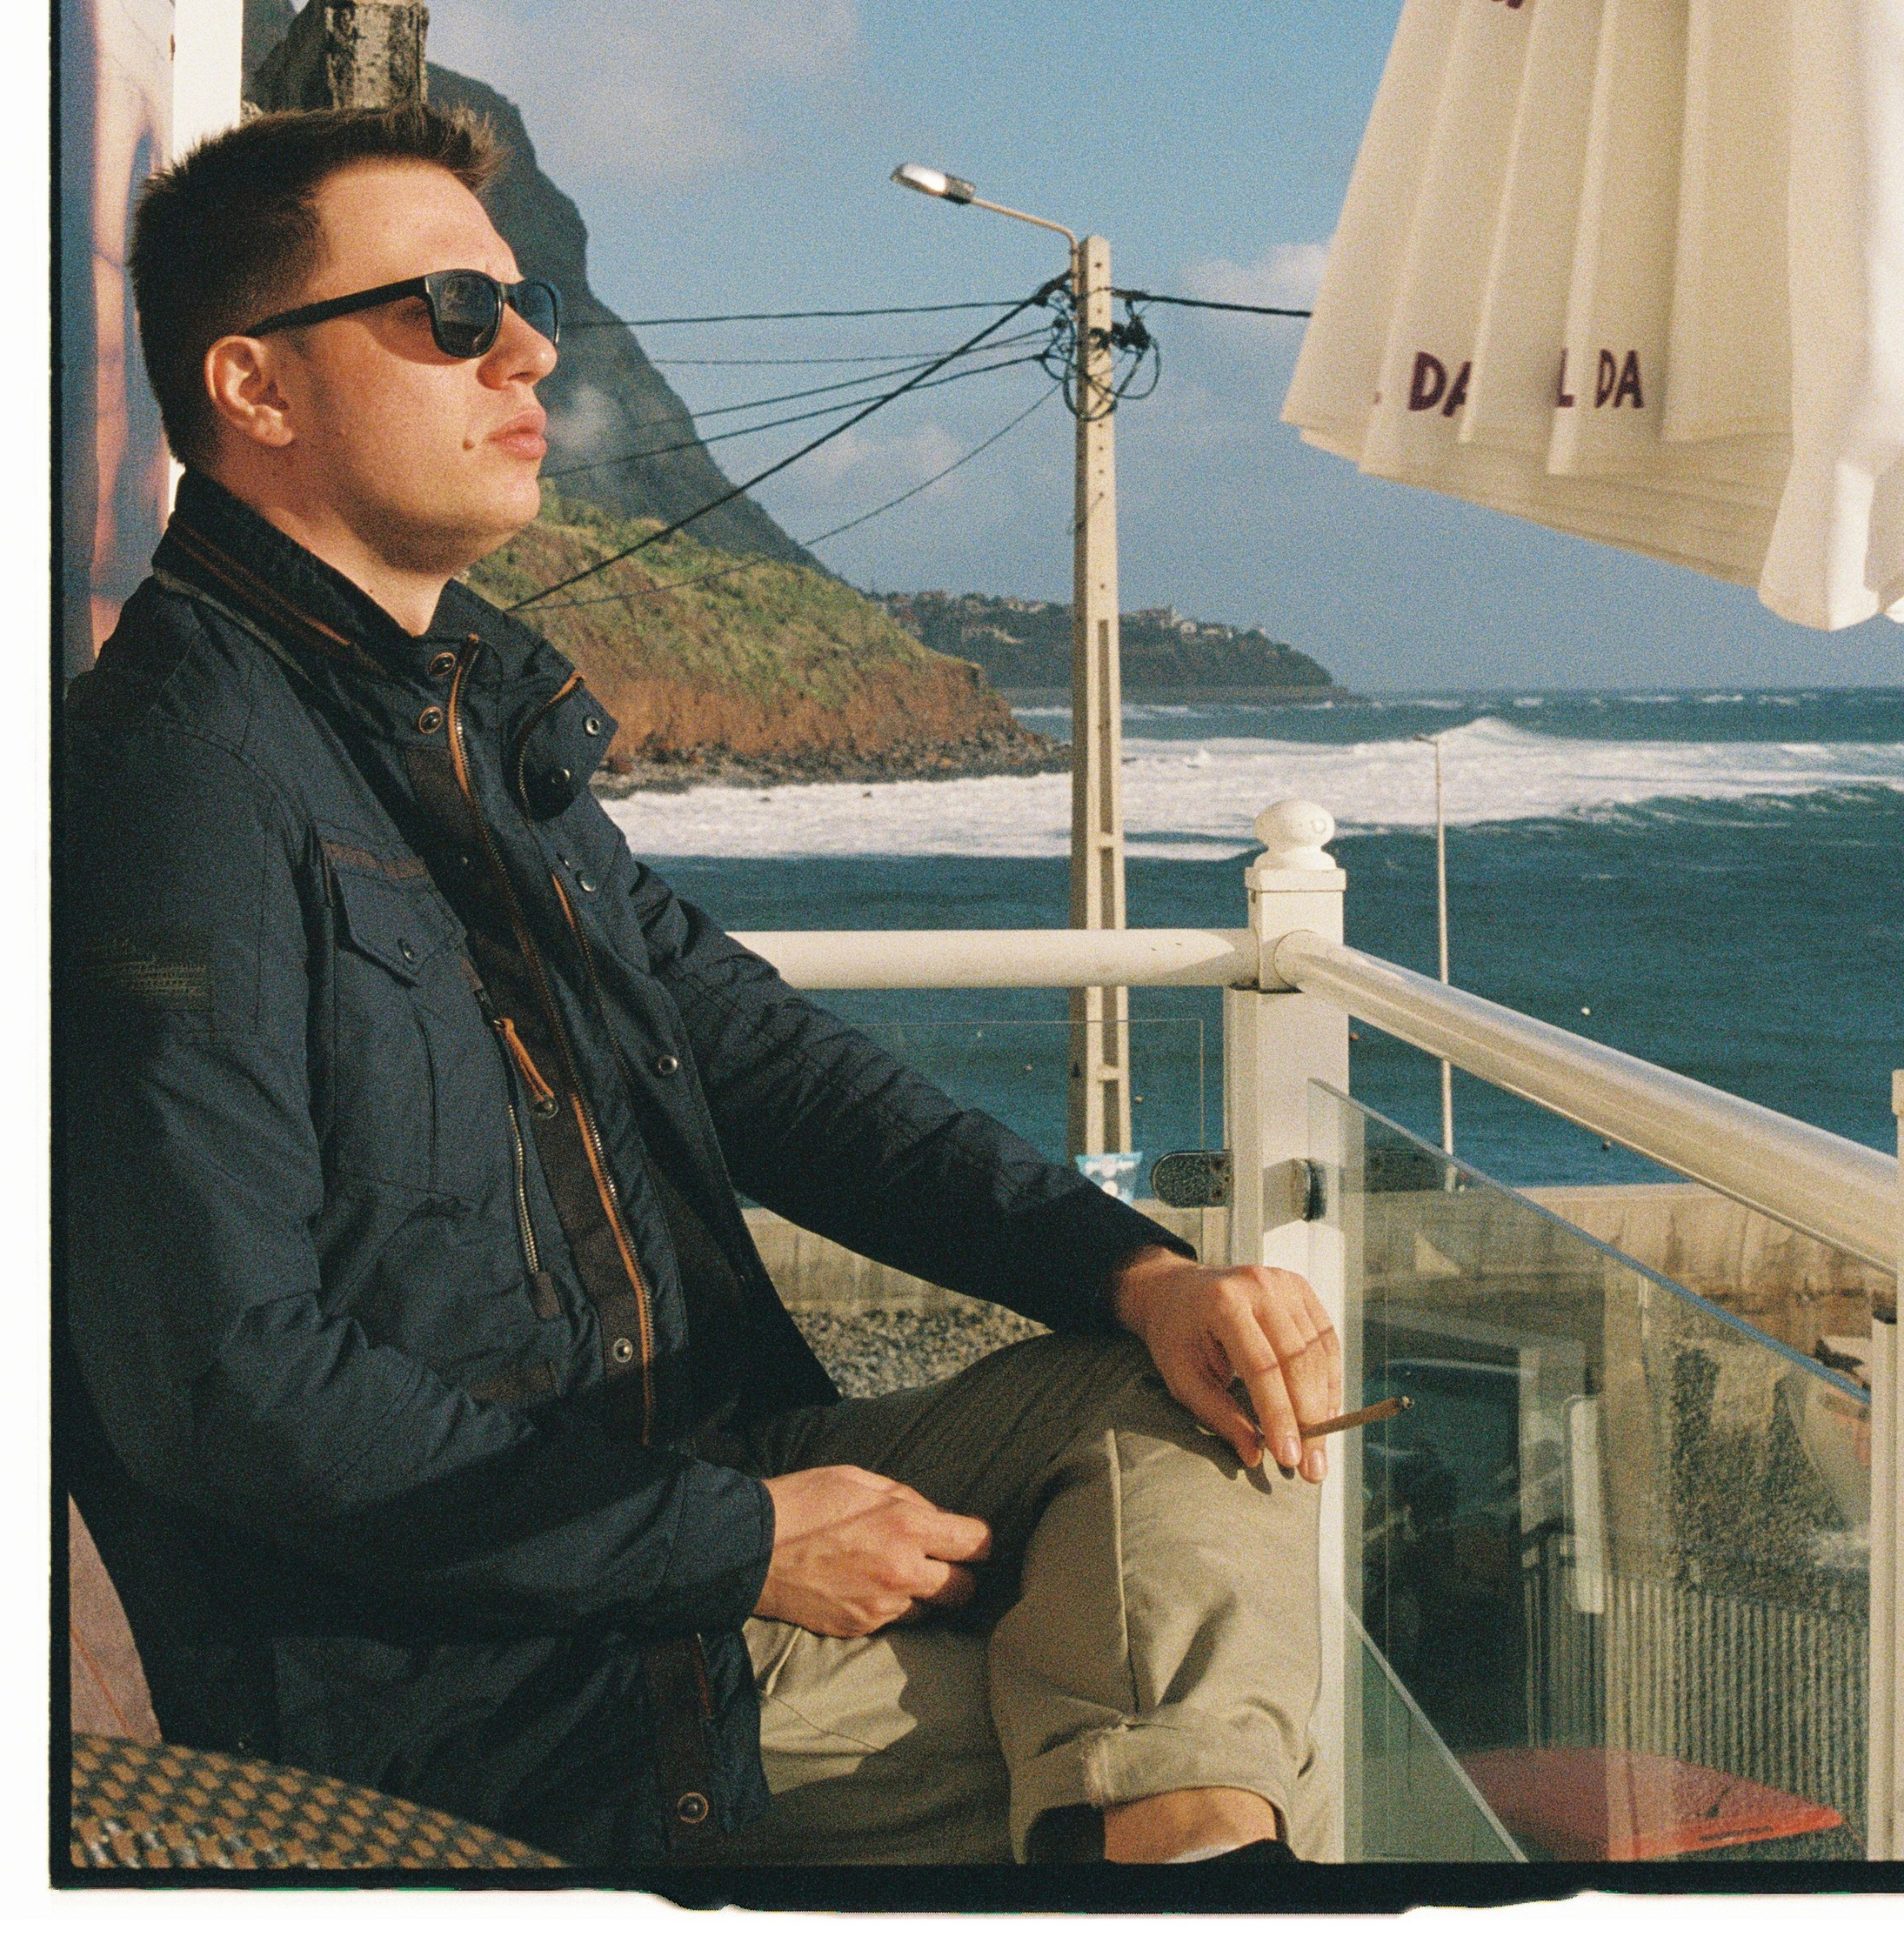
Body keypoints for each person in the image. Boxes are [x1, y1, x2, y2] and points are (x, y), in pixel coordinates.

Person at [62, 102, 1342, 1879]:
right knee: (1203, 1719)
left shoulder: (456, 725)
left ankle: (1182, 1849)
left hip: (693, 1478)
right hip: (487, 1666)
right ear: (254, 386)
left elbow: (769, 1062)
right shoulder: (176, 781)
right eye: (450, 312)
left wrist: (1139, 1272)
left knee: (1187, 1395)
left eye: (526, 309)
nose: (527, 353)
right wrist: (736, 1544)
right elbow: (224, 1385)